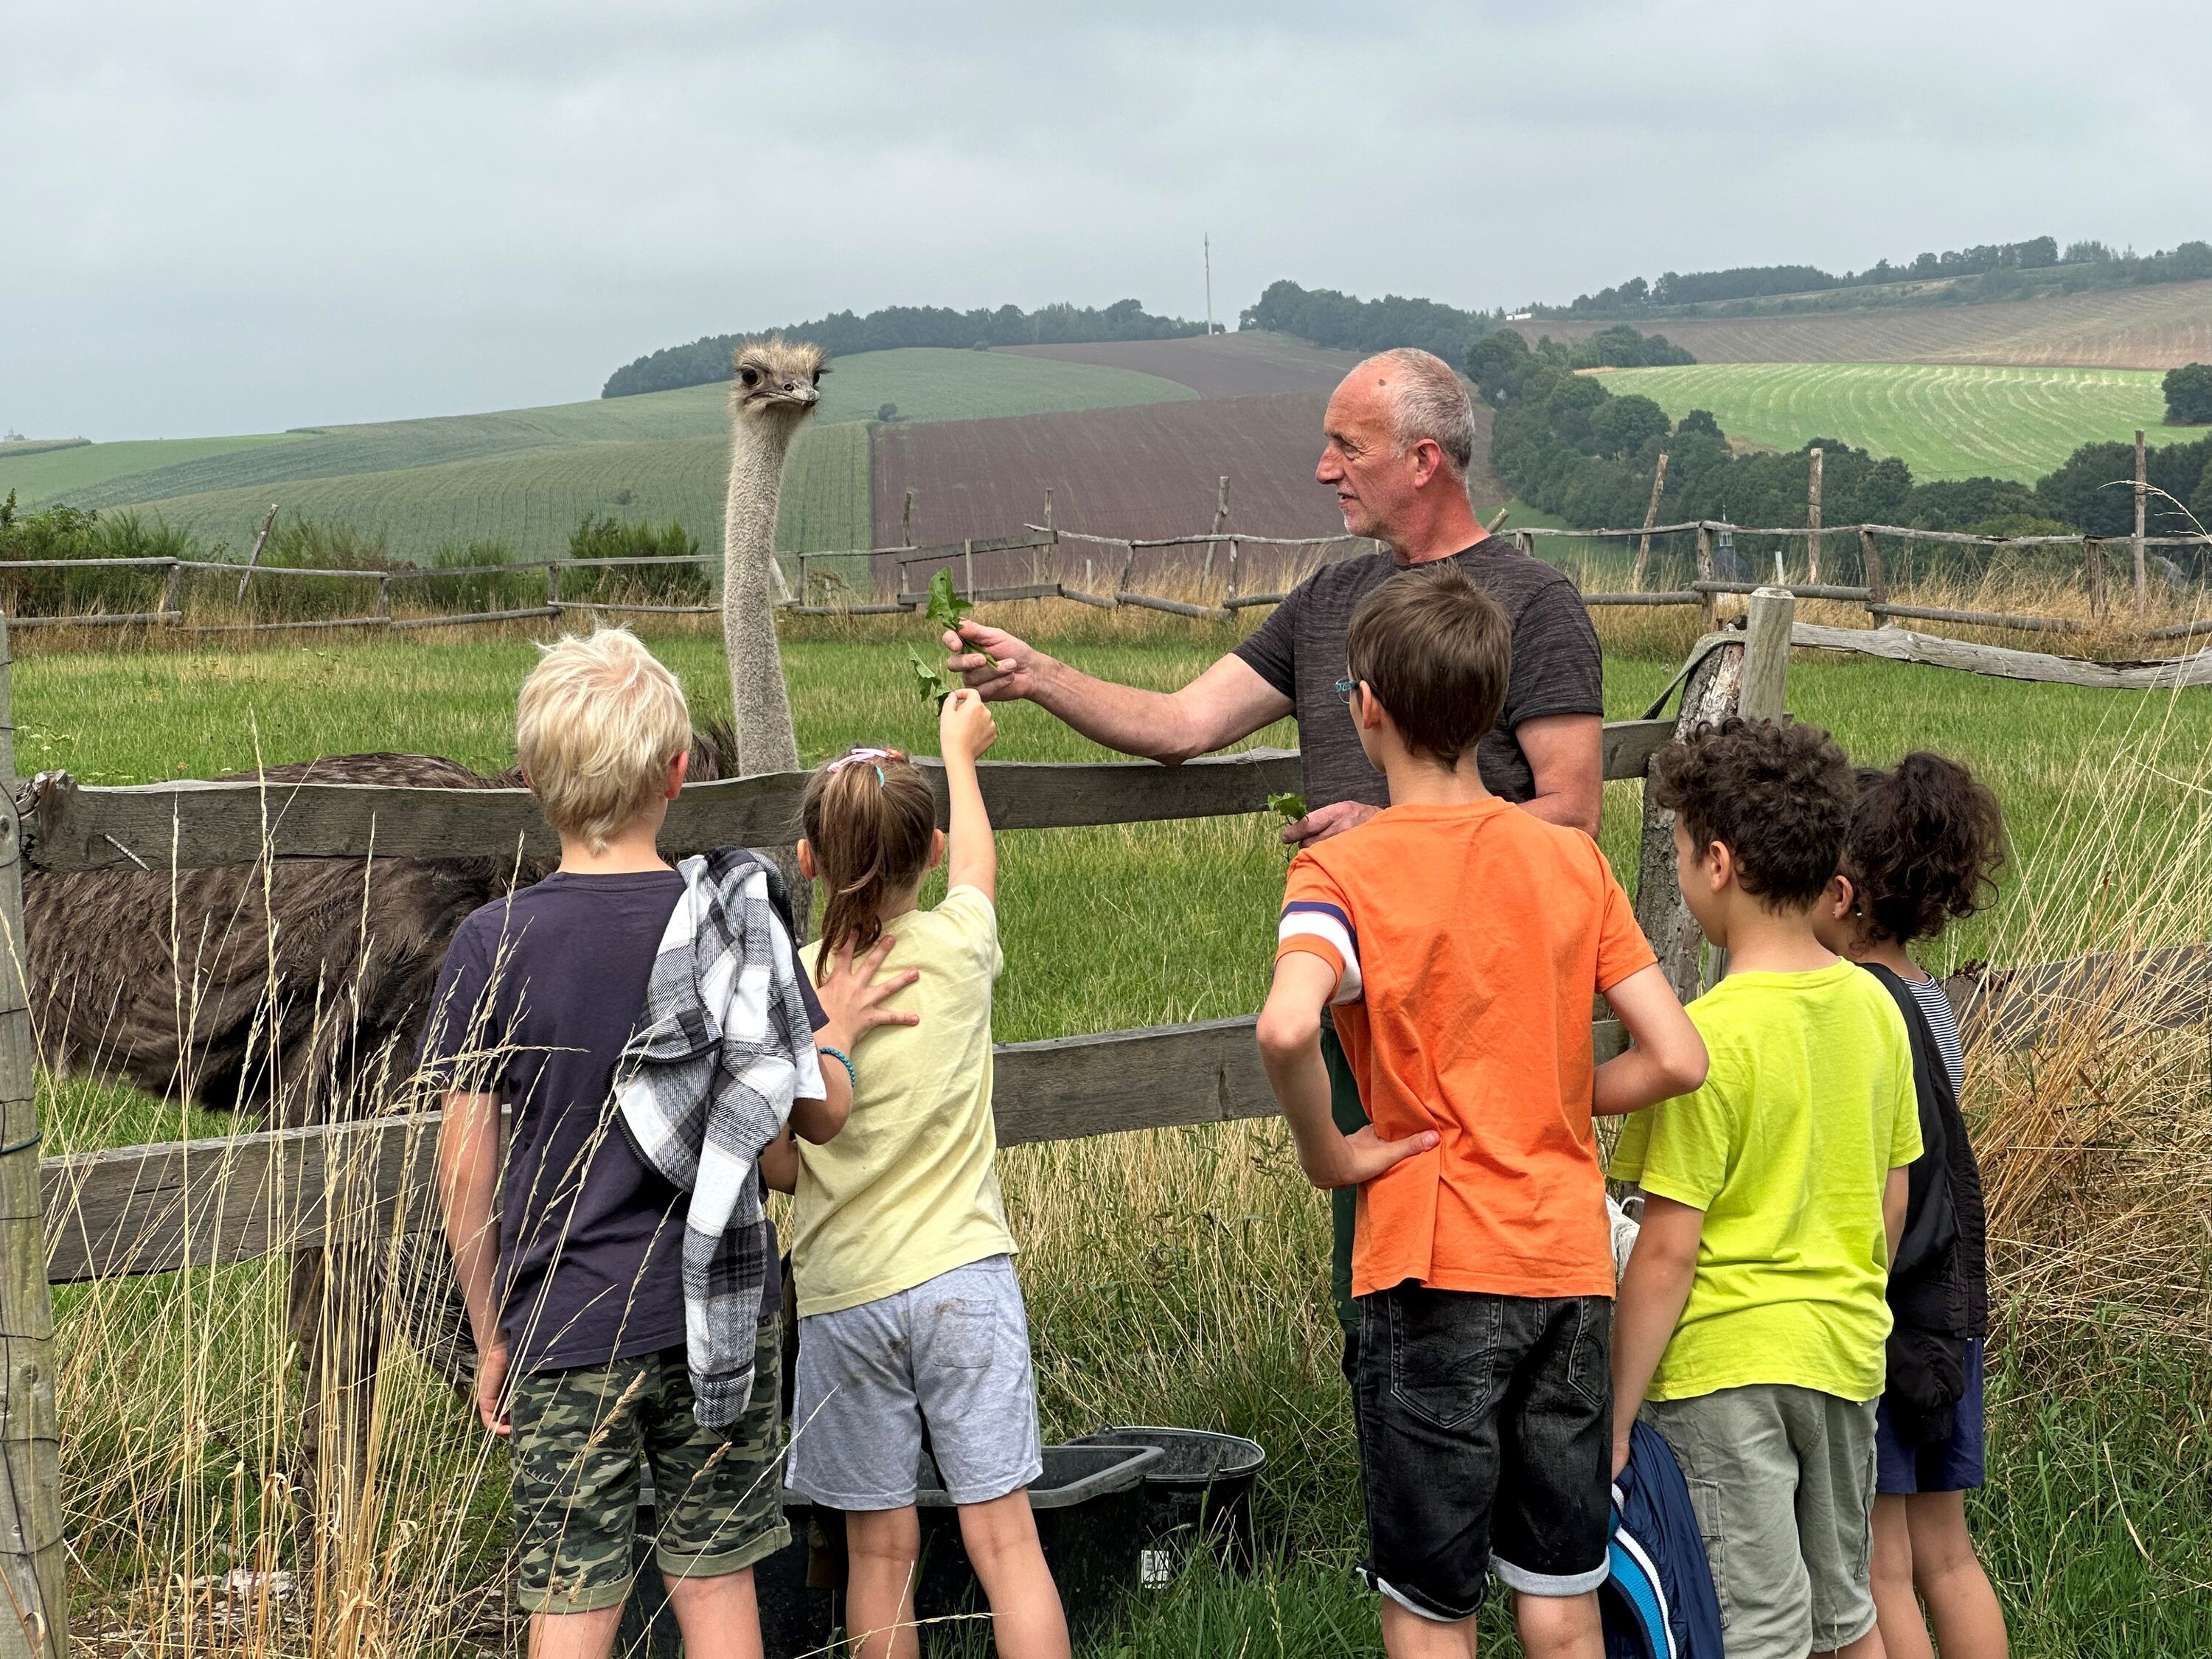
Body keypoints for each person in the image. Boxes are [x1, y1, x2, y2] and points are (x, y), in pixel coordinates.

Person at [945, 346, 1607, 1365]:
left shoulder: (1535, 602)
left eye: (1349, 445)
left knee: (1482, 1261)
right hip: (1359, 1000)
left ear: (1424, 460)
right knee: (1375, 1273)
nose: (1323, 467)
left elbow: (1571, 811)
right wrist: (1037, 675)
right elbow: (1182, 723)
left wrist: (1387, 836)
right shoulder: (1329, 601)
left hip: (1481, 1003)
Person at [424, 627, 914, 1659]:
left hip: (567, 1322)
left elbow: (465, 1161)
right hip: (720, 1313)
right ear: (679, 772)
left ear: (532, 781)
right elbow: (787, 1116)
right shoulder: (734, 927)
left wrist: (489, 1326)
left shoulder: (490, 943)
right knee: (718, 1584)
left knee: (573, 1597)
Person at [1255, 563, 1708, 1659]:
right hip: (1566, 1263)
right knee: (1561, 1593)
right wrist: (1558, 1090)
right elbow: (1679, 1056)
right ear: (1492, 703)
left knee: (1430, 1604)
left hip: (1430, 1263)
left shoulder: (1339, 872)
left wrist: (1330, 1155)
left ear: (1367, 706)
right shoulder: (1570, 860)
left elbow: (1284, 1027)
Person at [760, 689, 1071, 1659]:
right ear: (928, 851)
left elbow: (779, 1162)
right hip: (964, 1279)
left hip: (846, 1296)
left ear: (806, 860)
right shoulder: (960, 947)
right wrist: (958, 753)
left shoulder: (794, 989)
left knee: (879, 1552)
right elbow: (979, 865)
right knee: (1006, 1541)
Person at [1610, 717, 1924, 1659]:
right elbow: (1894, 1196)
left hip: (1726, 1376)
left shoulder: (1704, 1040)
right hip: (1846, 1356)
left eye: (1679, 852)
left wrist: (1615, 1419)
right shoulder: (1879, 1008)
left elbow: (1668, 1251)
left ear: (1718, 863)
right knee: (1846, 1614)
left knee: (1755, 1633)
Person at [1813, 756, 2009, 1659]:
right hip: (1952, 1307)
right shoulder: (1933, 1002)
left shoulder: (1856, 1006)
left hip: (1889, 1311)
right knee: (1949, 1555)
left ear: (1844, 894)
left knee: (1878, 1567)